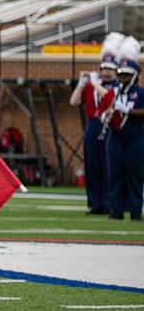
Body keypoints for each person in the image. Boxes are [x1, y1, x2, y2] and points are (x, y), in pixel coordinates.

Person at [70, 41, 121, 215]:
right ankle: (95, 203)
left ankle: (109, 203)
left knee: (108, 166)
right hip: (92, 125)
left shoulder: (117, 86)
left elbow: (108, 96)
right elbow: (74, 101)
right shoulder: (92, 85)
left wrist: (94, 83)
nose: (106, 72)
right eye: (103, 68)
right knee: (92, 166)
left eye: (110, 69)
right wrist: (81, 84)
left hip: (109, 127)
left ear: (116, 71)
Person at [100, 50, 143, 222]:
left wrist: (128, 111)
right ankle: (115, 209)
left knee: (135, 175)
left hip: (136, 138)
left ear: (134, 76)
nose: (122, 78)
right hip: (115, 138)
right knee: (115, 174)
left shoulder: (141, 93)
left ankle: (135, 211)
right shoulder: (112, 92)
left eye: (126, 75)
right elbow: (102, 111)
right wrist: (105, 116)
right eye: (120, 74)